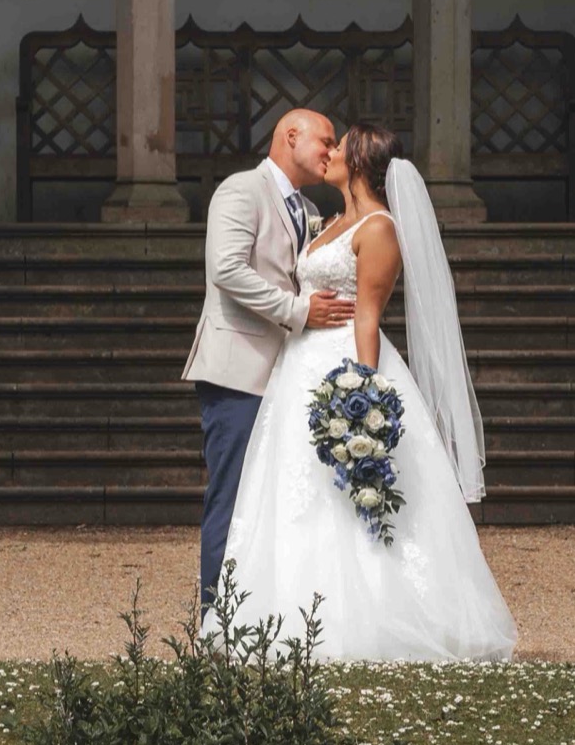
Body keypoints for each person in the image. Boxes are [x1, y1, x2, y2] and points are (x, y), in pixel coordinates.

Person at [217, 121, 517, 662]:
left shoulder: (378, 228)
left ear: (359, 162)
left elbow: (368, 318)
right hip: (296, 368)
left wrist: (363, 391)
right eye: (325, 142)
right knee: (291, 495)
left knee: (345, 497)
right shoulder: (326, 221)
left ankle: (370, 618)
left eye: (339, 146)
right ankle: (281, 616)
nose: (329, 153)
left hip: (341, 366)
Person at [183, 108, 357, 611]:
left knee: (273, 503)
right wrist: (298, 311)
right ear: (290, 135)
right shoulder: (241, 190)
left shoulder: (304, 206)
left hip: (285, 375)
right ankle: (215, 615)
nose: (330, 151)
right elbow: (227, 270)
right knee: (232, 495)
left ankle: (259, 611)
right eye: (325, 141)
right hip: (238, 369)